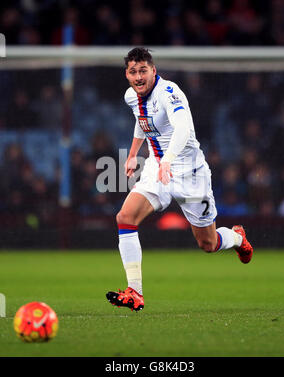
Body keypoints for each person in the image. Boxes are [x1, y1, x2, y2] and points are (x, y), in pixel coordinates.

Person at [106, 47, 253, 312]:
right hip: (156, 168)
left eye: (143, 71)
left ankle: (237, 238)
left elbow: (183, 128)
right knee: (125, 217)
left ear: (153, 70)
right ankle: (135, 292)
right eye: (132, 72)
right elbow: (142, 121)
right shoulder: (132, 96)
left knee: (208, 244)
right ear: (126, 74)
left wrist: (168, 161)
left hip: (190, 172)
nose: (138, 77)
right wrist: (132, 154)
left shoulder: (169, 93)